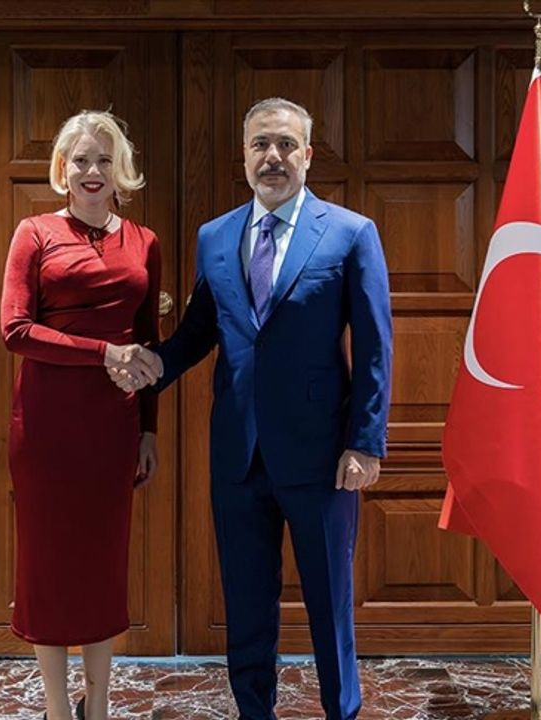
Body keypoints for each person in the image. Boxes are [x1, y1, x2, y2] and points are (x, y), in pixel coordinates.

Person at [111, 97, 392, 720]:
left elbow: (375, 347)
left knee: (329, 605)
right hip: (238, 455)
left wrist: (365, 441)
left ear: (308, 155)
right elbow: (199, 330)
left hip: (323, 457)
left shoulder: (350, 233)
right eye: (261, 144)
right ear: (244, 155)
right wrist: (150, 367)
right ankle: (253, 712)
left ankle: (341, 711)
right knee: (245, 605)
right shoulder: (215, 236)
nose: (273, 157)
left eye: (286, 144)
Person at [0, 110, 163, 720]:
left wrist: (149, 429)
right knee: (47, 566)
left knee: (101, 565)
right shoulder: (34, 233)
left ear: (121, 169)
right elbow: (15, 329)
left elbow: (148, 343)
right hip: (45, 427)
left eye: (104, 160)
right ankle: (55, 706)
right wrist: (103, 353)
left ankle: (98, 702)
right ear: (62, 168)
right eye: (81, 160)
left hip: (113, 428)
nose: (92, 171)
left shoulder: (144, 241)